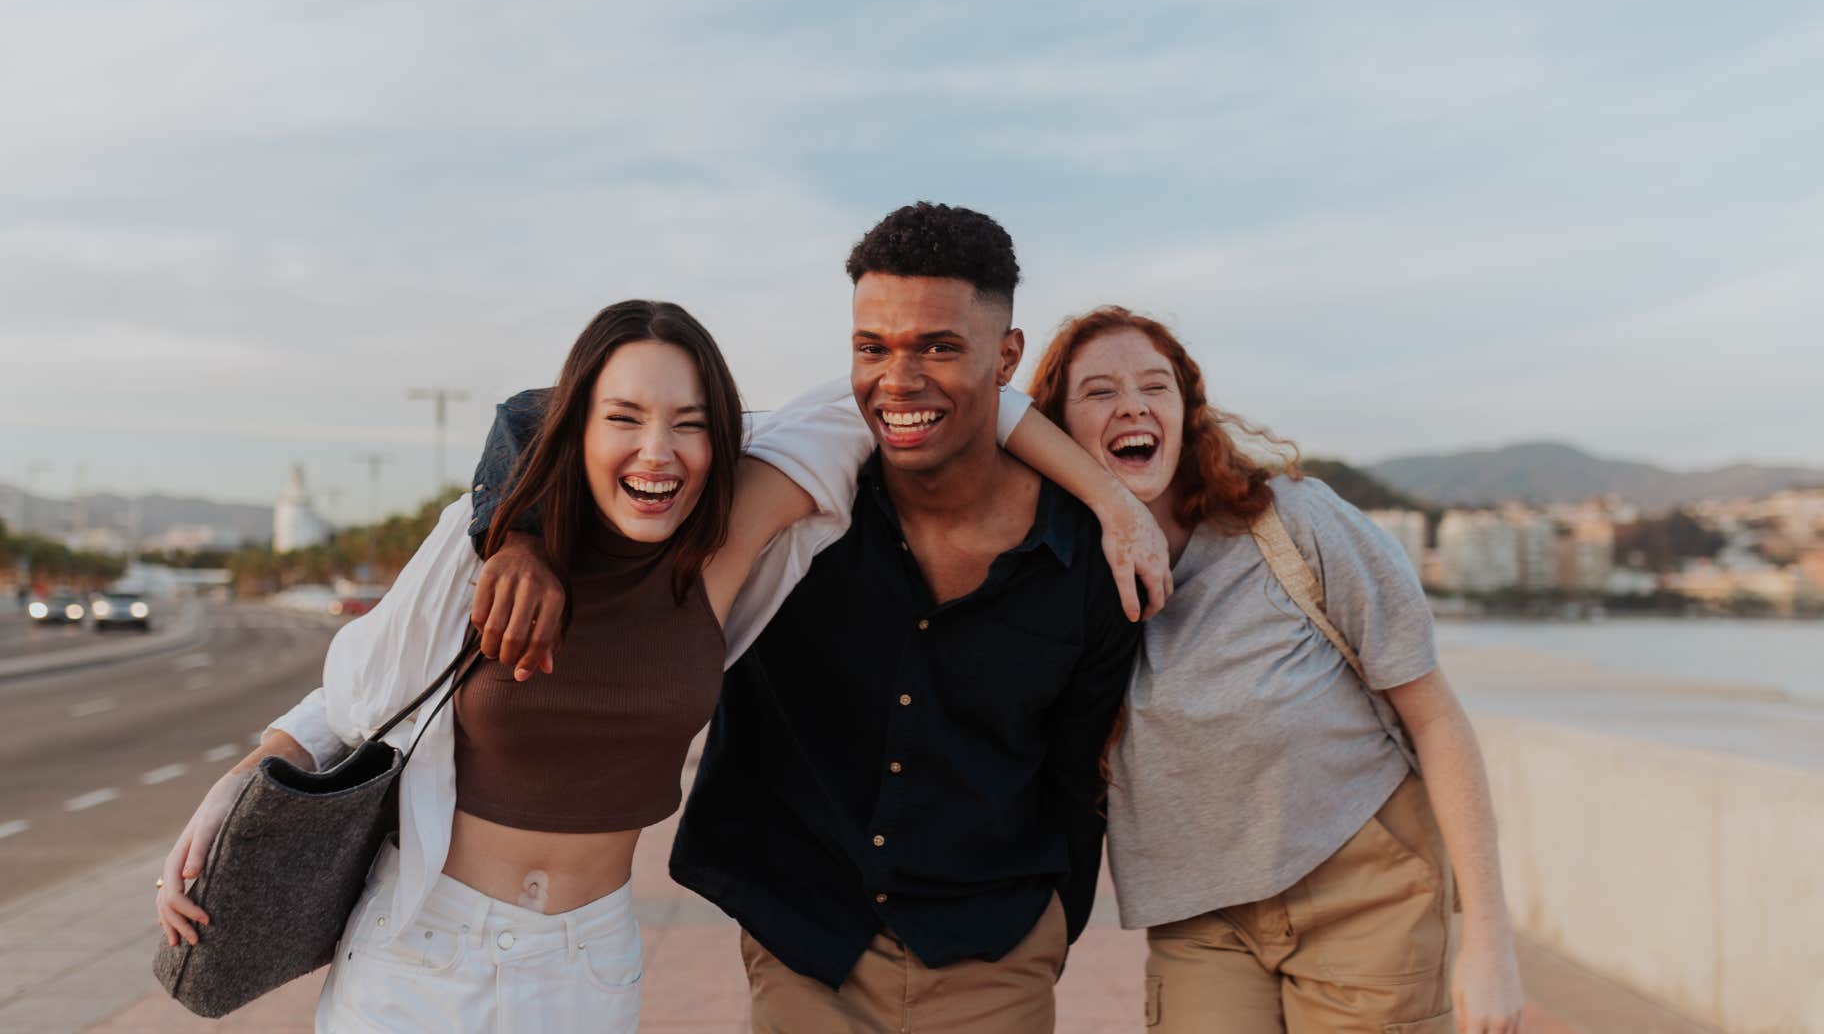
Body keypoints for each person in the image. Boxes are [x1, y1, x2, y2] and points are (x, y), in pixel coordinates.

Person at [156, 292, 1165, 1033]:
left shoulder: (720, 565)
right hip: (424, 955)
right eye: (626, 420)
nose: (659, 452)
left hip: (590, 964)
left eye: (689, 425)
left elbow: (913, 395)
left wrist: (1115, 503)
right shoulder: (484, 551)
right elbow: (353, 694)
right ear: (571, 429)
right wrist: (232, 797)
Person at [472, 203, 1153, 1033]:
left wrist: (1044, 923)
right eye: (873, 348)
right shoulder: (792, 491)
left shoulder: (1088, 558)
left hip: (995, 953)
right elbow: (556, 414)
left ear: (1007, 356)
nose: (899, 381)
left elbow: (1077, 772)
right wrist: (517, 536)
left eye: (940, 346)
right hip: (805, 941)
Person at [1025, 305, 1525, 1034]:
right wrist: (1102, 502)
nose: (1132, 403)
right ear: (1058, 432)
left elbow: (1436, 720)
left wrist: (1490, 942)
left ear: (1187, 412)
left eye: (1155, 386)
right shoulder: (1061, 581)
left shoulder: (1292, 522)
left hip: (1366, 896)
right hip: (1200, 918)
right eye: (1098, 391)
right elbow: (993, 407)